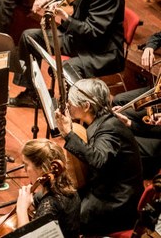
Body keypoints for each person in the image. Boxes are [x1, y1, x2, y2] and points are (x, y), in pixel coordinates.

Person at [9, 0, 125, 107]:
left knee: (67, 67)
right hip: (80, 40)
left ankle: (75, 111)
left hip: (101, 51)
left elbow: (93, 32)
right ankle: (32, 94)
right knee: (29, 37)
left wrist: (66, 19)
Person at [55, 78, 143, 235]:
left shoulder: (110, 129)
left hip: (116, 203)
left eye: (71, 102)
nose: (68, 106)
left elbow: (98, 160)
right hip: (107, 189)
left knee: (66, 217)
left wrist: (68, 133)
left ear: (86, 106)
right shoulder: (104, 121)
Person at [0, 139, 80, 238]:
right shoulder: (67, 187)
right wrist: (5, 220)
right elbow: (36, 199)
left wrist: (21, 209)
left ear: (41, 168)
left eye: (26, 164)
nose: (25, 170)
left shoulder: (49, 205)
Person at [112, 31, 161, 178]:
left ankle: (139, 167)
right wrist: (149, 47)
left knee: (125, 119)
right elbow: (157, 36)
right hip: (158, 92)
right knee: (118, 101)